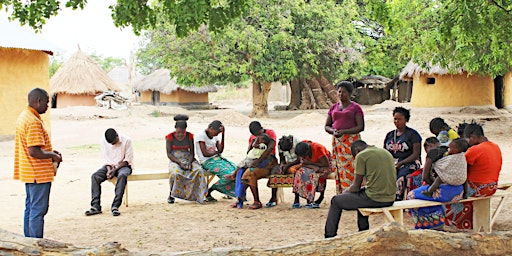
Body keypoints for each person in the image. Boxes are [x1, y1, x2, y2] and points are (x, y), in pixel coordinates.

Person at [14, 88, 62, 238]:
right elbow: (34, 151)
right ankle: (36, 244)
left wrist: (51, 153)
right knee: (38, 211)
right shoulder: (33, 121)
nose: (48, 106)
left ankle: (29, 242)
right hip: (38, 173)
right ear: (38, 101)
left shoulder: (24, 116)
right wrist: (53, 156)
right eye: (47, 103)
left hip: (29, 172)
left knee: (30, 209)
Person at [324, 140, 396, 238]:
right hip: (390, 198)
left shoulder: (361, 156)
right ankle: (363, 232)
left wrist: (345, 192)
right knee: (360, 196)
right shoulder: (384, 152)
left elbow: (355, 187)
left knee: (336, 201)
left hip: (376, 199)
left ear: (357, 151)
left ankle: (329, 236)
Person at [445, 122, 502, 230]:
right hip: (492, 186)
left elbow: (459, 169)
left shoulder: (475, 150)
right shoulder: (495, 146)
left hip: (479, 188)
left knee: (447, 192)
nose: (467, 143)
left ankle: (452, 224)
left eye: (467, 140)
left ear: (473, 137)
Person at [407, 137, 468, 230]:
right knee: (431, 193)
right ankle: (438, 221)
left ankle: (428, 224)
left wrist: (433, 185)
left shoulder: (433, 154)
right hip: (459, 192)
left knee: (411, 195)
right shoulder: (459, 156)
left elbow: (425, 177)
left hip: (446, 193)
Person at [325, 81, 364, 194]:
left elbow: (360, 126)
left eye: (344, 92)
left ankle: (355, 193)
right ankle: (343, 194)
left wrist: (344, 132)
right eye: (339, 92)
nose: (341, 94)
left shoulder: (355, 108)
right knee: (340, 169)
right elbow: (327, 126)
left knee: (353, 167)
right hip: (338, 142)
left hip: (352, 142)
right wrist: (334, 131)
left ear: (350, 93)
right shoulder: (333, 108)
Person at [85, 128, 133, 217]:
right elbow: (106, 160)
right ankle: (95, 206)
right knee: (95, 176)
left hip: (123, 166)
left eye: (114, 142)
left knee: (122, 175)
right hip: (109, 166)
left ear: (117, 136)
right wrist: (109, 170)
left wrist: (114, 170)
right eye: (111, 143)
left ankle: (115, 206)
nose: (113, 145)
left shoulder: (127, 141)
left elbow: (127, 160)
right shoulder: (103, 142)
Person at [232, 121, 277, 209]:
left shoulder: (270, 133)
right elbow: (250, 152)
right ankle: (240, 198)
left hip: (268, 161)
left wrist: (259, 161)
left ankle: (257, 201)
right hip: (255, 160)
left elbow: (270, 148)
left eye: (258, 134)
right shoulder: (253, 138)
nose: (257, 137)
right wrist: (252, 144)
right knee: (240, 172)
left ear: (261, 129)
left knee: (249, 173)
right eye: (255, 135)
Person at [166, 114, 208, 204]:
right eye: (178, 132)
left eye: (182, 132)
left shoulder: (189, 136)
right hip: (175, 158)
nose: (180, 134)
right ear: (175, 128)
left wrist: (189, 162)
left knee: (198, 170)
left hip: (188, 157)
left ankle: (198, 195)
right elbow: (169, 154)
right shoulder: (169, 137)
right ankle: (171, 194)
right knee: (175, 173)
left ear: (186, 130)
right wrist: (179, 163)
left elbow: (192, 152)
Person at [384, 106, 422, 200]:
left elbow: (416, 154)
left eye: (400, 119)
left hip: (409, 162)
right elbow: (385, 151)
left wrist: (401, 163)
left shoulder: (413, 135)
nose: (397, 121)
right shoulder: (390, 135)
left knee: (401, 177)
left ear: (406, 120)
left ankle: (398, 199)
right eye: (395, 119)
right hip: (393, 162)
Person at [196, 120, 237, 201]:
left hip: (217, 159)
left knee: (236, 170)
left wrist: (223, 135)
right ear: (211, 129)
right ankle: (210, 191)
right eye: (217, 132)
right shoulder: (201, 136)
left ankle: (228, 192)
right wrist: (216, 152)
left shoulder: (214, 136)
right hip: (207, 162)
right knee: (228, 175)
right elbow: (205, 153)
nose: (217, 134)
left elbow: (220, 150)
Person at [292, 140, 333, 209]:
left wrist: (310, 164)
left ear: (307, 152)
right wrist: (310, 165)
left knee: (313, 175)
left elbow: (326, 164)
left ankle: (311, 200)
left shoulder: (318, 148)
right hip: (310, 165)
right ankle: (296, 199)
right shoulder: (302, 145)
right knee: (299, 173)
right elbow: (303, 162)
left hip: (325, 166)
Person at [266, 134, 301, 207]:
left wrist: (287, 166)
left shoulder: (297, 143)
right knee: (274, 171)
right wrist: (282, 165)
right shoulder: (280, 144)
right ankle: (273, 197)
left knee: (295, 173)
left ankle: (297, 199)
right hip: (287, 163)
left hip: (298, 163)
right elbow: (282, 158)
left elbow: (299, 159)